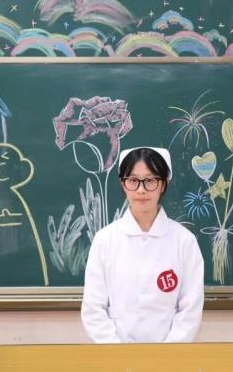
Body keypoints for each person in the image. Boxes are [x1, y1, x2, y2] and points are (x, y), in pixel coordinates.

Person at [81, 146, 205, 343]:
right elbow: (93, 309)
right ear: (123, 184)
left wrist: (166, 355)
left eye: (150, 180)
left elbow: (190, 310)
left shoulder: (184, 241)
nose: (141, 190)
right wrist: (119, 354)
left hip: (170, 357)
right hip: (116, 356)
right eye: (133, 180)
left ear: (163, 184)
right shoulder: (104, 240)